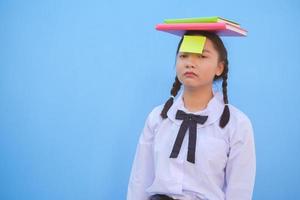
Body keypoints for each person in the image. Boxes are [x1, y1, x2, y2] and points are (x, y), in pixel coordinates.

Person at [127, 24, 256, 200]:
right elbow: (140, 179)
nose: (190, 63)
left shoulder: (237, 124)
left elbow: (239, 190)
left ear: (220, 67)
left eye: (202, 56)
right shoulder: (158, 117)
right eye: (184, 56)